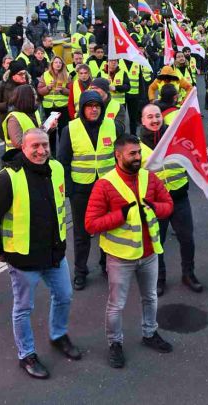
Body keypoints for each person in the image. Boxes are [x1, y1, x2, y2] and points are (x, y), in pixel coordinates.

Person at [0, 129, 82, 379]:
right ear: (23, 148)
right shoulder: (8, 178)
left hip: (54, 253)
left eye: (45, 145)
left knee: (65, 296)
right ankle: (26, 354)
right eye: (34, 146)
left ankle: (58, 335)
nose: (41, 151)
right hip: (24, 258)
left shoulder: (56, 168)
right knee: (24, 308)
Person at [85, 134, 175, 368]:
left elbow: (168, 206)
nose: (138, 157)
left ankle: (149, 333)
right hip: (120, 257)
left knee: (151, 297)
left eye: (139, 152)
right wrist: (120, 216)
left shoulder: (149, 177)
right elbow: (91, 224)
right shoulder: (105, 184)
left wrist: (155, 207)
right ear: (118, 155)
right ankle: (115, 344)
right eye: (132, 153)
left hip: (149, 253)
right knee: (116, 305)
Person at [137, 105, 203, 295]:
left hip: (179, 197)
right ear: (142, 121)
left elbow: (191, 157)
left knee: (187, 239)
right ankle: (159, 279)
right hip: (155, 204)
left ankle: (188, 274)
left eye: (157, 116)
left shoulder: (175, 138)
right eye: (149, 116)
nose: (154, 120)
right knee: (157, 243)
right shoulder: (138, 146)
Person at [57, 92, 115, 290]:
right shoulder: (70, 129)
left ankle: (106, 266)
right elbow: (62, 161)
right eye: (89, 106)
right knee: (82, 233)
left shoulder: (112, 125)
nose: (94, 109)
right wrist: (70, 189)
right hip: (81, 189)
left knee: (107, 229)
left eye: (97, 105)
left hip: (107, 188)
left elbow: (119, 157)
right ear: (82, 108)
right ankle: (80, 271)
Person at [2, 86, 43, 151]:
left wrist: (50, 128)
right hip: (21, 156)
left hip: (34, 152)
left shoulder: (34, 111)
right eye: (34, 94)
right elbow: (18, 144)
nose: (36, 97)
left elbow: (39, 131)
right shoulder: (14, 119)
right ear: (27, 97)